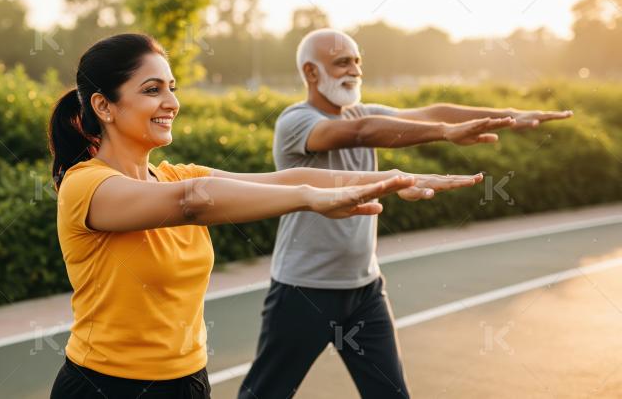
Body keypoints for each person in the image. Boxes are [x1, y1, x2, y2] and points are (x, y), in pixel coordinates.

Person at [47, 33, 485, 399]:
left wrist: (391, 177)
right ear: (104, 107)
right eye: (151, 90)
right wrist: (312, 199)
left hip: (187, 382)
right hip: (104, 386)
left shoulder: (176, 175)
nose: (171, 102)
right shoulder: (87, 186)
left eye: (172, 87)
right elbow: (193, 202)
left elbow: (283, 178)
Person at [237, 28, 574, 399]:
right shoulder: (296, 122)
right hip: (304, 291)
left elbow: (431, 112)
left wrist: (510, 115)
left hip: (365, 290)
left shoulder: (362, 111)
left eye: (357, 61)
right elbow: (363, 132)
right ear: (312, 73)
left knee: (391, 394)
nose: (355, 69)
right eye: (342, 62)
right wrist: (446, 132)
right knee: (265, 394)